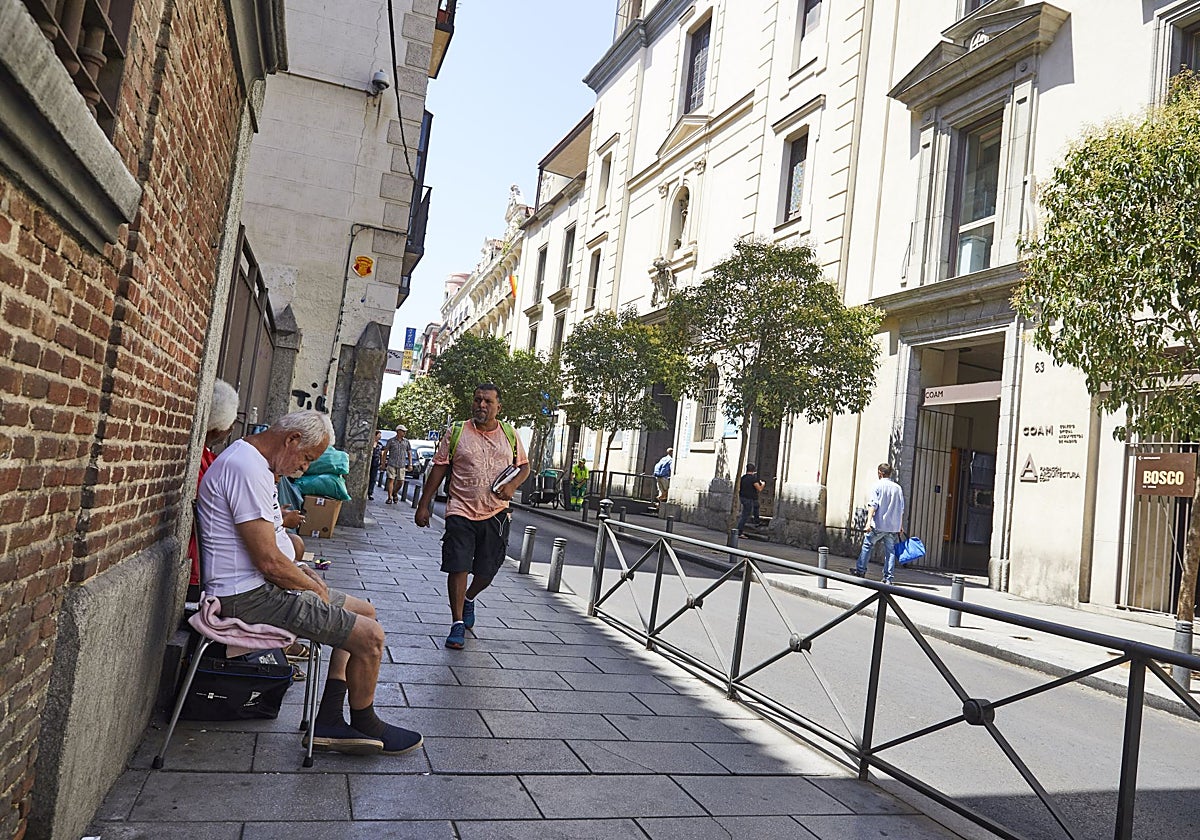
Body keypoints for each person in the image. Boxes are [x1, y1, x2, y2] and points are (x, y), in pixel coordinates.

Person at [197, 410, 422, 756]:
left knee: (365, 612)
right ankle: (366, 721)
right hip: (247, 596)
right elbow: (268, 562)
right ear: (291, 440)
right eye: (306, 458)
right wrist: (312, 588)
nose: (304, 468)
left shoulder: (256, 465)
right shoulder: (245, 468)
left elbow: (273, 549)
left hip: (264, 586)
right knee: (371, 637)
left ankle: (330, 718)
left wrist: (304, 572)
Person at [414, 384, 529, 650]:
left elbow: (523, 466)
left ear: (498, 407)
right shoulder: (457, 432)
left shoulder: (510, 434)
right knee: (458, 565)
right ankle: (456, 623)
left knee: (488, 570)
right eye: (478, 400)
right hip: (460, 510)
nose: (481, 405)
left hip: (496, 513)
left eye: (488, 401)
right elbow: (439, 468)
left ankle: (469, 598)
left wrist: (513, 486)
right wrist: (423, 504)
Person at [186, 379, 240, 602]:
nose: (232, 428)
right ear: (219, 428)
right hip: (200, 568)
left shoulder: (209, 459)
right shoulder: (200, 463)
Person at [854, 462, 906, 585]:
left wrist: (868, 522)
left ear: (880, 473)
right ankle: (888, 578)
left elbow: (873, 505)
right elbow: (901, 508)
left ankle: (861, 570)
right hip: (893, 526)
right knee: (890, 551)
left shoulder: (877, 486)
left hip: (879, 524)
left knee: (867, 545)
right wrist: (900, 525)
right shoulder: (897, 488)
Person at [384, 424, 412, 504]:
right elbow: (385, 452)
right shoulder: (391, 441)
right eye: (403, 431)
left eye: (405, 432)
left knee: (400, 482)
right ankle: (389, 498)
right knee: (391, 480)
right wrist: (383, 463)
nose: (404, 433)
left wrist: (410, 464)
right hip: (391, 463)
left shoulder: (406, 442)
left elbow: (409, 453)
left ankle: (395, 492)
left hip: (401, 464)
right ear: (398, 431)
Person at [736, 463, 766, 536]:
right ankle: (739, 531)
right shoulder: (753, 479)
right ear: (753, 470)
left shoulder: (743, 477)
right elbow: (759, 489)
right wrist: (763, 484)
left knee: (756, 505)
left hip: (744, 497)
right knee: (745, 515)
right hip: (749, 499)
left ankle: (757, 521)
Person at [367, 430, 383, 501]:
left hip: (376, 463)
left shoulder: (380, 444)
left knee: (373, 478)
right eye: (379, 435)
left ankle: (370, 492)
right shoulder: (370, 443)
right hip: (369, 461)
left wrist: (382, 463)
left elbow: (382, 454)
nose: (380, 437)